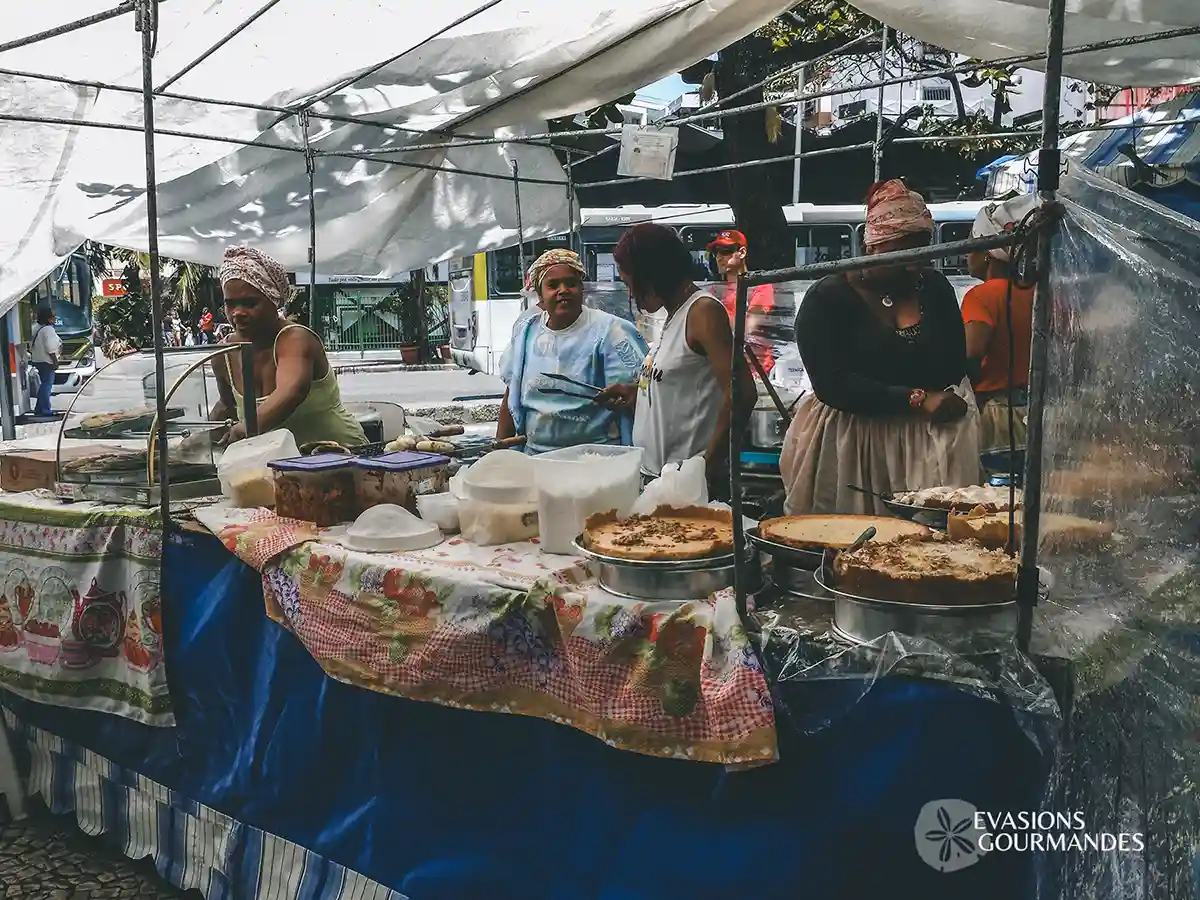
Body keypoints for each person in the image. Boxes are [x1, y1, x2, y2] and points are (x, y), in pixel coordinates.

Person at [780, 179, 981, 516]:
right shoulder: (827, 298)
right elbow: (833, 383)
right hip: (853, 440)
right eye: (902, 254)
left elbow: (951, 362)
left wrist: (942, 397)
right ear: (873, 246)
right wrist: (915, 397)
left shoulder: (933, 288)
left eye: (922, 252)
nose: (914, 265)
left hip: (924, 440)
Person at [597, 223, 756, 497]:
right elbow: (683, 386)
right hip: (658, 480)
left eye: (631, 284)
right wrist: (636, 395)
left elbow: (741, 393)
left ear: (652, 274)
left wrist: (704, 468)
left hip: (687, 486)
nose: (632, 295)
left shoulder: (702, 312)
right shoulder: (672, 315)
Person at [211, 246, 367, 447]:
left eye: (250, 303)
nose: (237, 313)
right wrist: (192, 444)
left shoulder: (295, 339)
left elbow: (291, 392)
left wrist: (242, 430)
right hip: (276, 467)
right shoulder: (223, 354)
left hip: (341, 458)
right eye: (230, 304)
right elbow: (227, 405)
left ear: (273, 300)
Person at [497, 249, 647, 454]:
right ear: (540, 295)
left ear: (581, 289)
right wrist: (499, 455)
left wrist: (630, 395)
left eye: (571, 283)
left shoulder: (611, 331)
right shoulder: (526, 333)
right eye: (552, 285)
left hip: (597, 461)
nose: (563, 290)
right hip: (536, 460)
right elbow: (511, 395)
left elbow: (645, 396)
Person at [962, 195, 1038, 452]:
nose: (967, 254)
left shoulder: (981, 296)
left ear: (988, 254)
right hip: (1036, 410)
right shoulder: (1039, 293)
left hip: (998, 415)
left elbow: (971, 356)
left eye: (972, 244)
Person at [709, 229, 778, 373]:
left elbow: (748, 329)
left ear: (742, 253)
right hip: (724, 368)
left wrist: (716, 317)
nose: (719, 257)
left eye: (725, 251)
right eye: (716, 252)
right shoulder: (715, 291)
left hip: (756, 371)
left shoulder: (761, 287)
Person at [30, 307, 62, 417]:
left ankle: (39, 408)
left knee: (43, 385)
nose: (55, 319)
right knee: (46, 386)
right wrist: (55, 361)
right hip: (47, 361)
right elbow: (50, 347)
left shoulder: (34, 327)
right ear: (48, 318)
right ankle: (44, 409)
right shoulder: (48, 329)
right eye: (53, 317)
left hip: (37, 360)